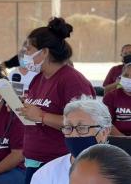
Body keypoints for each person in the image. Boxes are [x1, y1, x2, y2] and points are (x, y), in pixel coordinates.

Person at [17, 17, 96, 184]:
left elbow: (85, 125)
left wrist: (41, 116)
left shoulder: (72, 81)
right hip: (34, 161)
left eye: (29, 49)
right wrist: (24, 109)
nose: (25, 54)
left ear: (44, 52)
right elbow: (36, 113)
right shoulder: (38, 78)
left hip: (60, 165)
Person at [30, 96, 112, 184]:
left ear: (104, 132)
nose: (74, 134)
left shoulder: (123, 171)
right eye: (68, 128)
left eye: (82, 128)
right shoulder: (46, 175)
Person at [103, 62, 131, 136]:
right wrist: (124, 139)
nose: (129, 78)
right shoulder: (111, 97)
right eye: (126, 75)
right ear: (120, 78)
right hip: (118, 140)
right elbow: (106, 122)